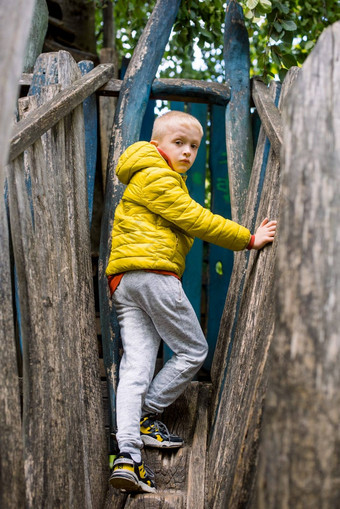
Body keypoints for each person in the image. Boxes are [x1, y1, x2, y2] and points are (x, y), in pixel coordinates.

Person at [106, 110, 277, 493]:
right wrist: (247, 239)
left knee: (137, 364)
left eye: (194, 146)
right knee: (192, 350)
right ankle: (149, 413)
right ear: (156, 144)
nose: (187, 152)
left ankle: (128, 457)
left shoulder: (144, 173)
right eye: (178, 143)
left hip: (125, 281)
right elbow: (195, 219)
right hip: (153, 275)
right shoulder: (157, 175)